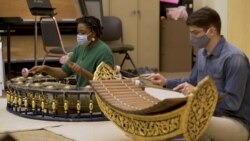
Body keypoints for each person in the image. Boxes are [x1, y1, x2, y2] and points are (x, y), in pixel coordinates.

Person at [148, 7, 250, 141]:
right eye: (190, 32)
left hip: (235, 123)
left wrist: (199, 94)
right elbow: (192, 81)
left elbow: (232, 102)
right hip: (207, 114)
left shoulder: (235, 58)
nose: (191, 37)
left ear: (212, 31)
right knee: (169, 123)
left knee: (195, 124)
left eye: (195, 32)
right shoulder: (202, 53)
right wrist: (166, 82)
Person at [30, 16, 114, 87]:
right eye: (78, 32)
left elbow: (104, 84)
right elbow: (63, 72)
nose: (80, 36)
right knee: (46, 86)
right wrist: (45, 68)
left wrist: (82, 71)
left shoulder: (104, 52)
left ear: (93, 33)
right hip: (79, 92)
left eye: (83, 33)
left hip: (93, 96)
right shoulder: (80, 48)